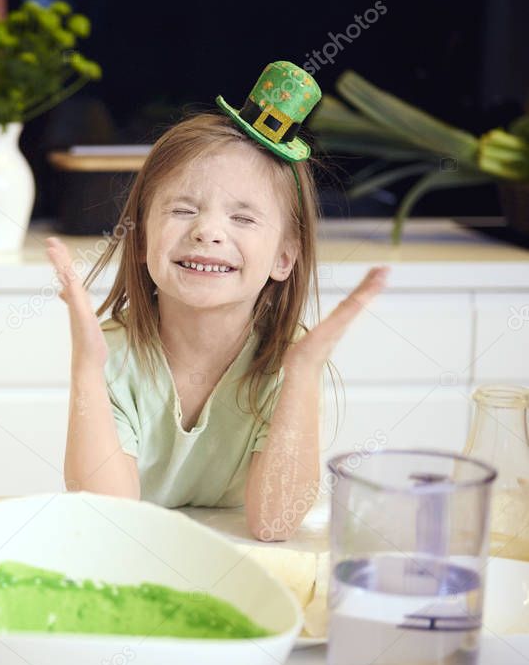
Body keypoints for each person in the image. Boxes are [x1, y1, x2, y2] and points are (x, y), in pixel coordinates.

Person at [47, 61, 387, 541]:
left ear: (285, 258)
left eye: (243, 219)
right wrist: (86, 368)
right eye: (183, 210)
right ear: (141, 240)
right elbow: (109, 520)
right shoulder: (115, 358)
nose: (207, 231)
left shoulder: (286, 360)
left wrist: (304, 373)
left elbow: (273, 524)